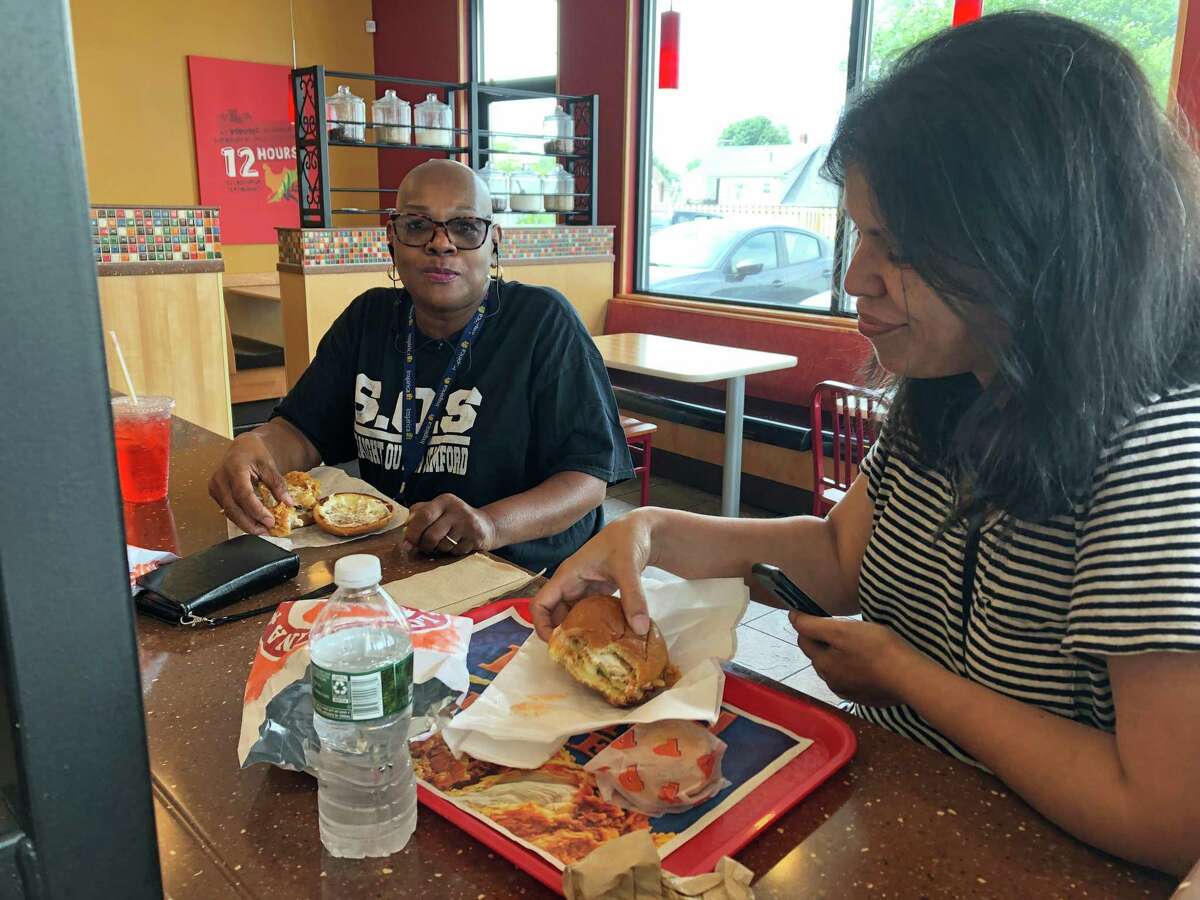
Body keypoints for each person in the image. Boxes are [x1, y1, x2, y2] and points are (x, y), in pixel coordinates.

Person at [533, 12, 1200, 875]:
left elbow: (1166, 814)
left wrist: (906, 674)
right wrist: (653, 533)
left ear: (1038, 237)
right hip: (894, 809)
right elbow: (840, 553)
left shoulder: (1157, 451)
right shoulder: (954, 387)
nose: (854, 278)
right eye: (860, 235)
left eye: (898, 245)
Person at [209, 160, 632, 572]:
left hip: (529, 571)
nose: (441, 244)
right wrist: (256, 446)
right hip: (404, 561)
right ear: (391, 239)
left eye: (465, 227)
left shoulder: (542, 322)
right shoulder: (367, 320)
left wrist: (489, 524)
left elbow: (587, 479)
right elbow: (301, 430)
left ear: (494, 242)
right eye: (417, 225)